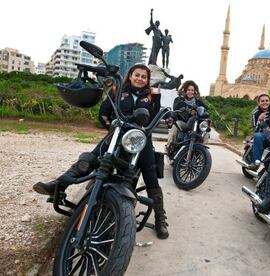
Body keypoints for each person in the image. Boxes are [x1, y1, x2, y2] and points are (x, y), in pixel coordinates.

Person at [33, 64, 169, 239]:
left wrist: (157, 98)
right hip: (117, 135)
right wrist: (113, 130)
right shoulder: (117, 90)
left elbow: (154, 117)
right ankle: (58, 185)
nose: (140, 78)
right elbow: (103, 113)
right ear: (130, 75)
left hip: (140, 140)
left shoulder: (151, 96)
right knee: (92, 158)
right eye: (137, 75)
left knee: (151, 175)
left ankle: (160, 218)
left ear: (147, 80)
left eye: (144, 77)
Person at [165, 80, 206, 151]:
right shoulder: (179, 99)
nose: (190, 92)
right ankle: (168, 147)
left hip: (195, 124)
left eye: (192, 90)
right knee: (175, 126)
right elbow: (176, 109)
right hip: (183, 123)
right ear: (185, 90)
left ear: (195, 91)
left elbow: (205, 110)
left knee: (206, 132)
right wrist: (188, 111)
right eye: (189, 90)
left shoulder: (198, 101)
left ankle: (201, 150)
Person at [248, 94, 270, 169]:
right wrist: (259, 119)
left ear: (269, 102)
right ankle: (256, 162)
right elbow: (255, 129)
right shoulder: (255, 113)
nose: (264, 102)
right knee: (258, 136)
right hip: (263, 135)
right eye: (262, 101)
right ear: (259, 103)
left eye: (267, 101)